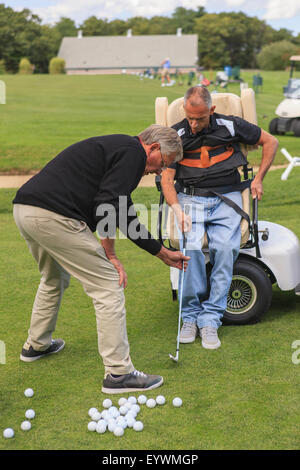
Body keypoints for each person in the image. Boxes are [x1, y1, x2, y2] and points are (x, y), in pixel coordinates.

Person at [13, 124, 190, 394]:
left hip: (25, 210)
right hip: (54, 216)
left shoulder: (121, 149)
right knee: (108, 285)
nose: (158, 171)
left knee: (53, 277)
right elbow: (110, 206)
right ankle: (119, 374)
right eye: (163, 163)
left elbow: (116, 206)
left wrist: (123, 253)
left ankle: (36, 345)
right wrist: (152, 253)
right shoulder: (134, 154)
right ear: (153, 148)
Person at [161, 86, 278, 350]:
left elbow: (271, 142)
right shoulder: (176, 135)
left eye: (199, 119)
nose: (193, 124)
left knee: (225, 249)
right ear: (184, 111)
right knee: (190, 248)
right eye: (189, 117)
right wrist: (177, 209)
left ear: (211, 111)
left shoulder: (230, 126)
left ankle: (211, 318)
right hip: (190, 199)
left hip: (228, 199)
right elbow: (167, 180)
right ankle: (189, 317)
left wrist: (258, 179)